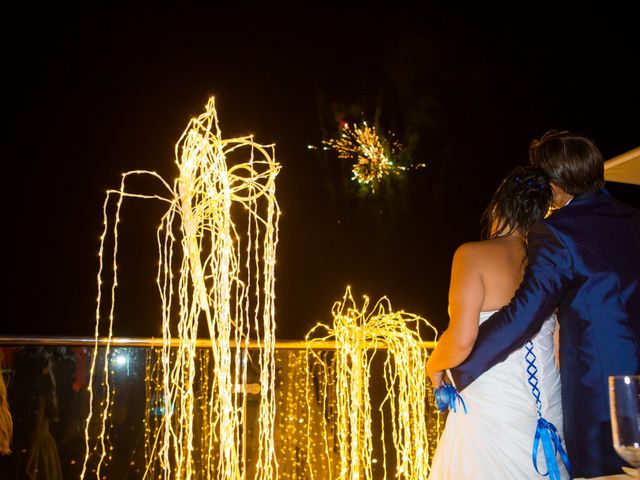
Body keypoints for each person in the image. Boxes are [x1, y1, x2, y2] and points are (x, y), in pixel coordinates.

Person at [443, 131, 640, 478]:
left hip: (603, 396)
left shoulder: (558, 232)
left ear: (554, 185)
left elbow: (525, 315)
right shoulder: (634, 218)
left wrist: (460, 367)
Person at [427, 166, 569, 478]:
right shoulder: (545, 263)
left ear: (499, 205)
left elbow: (462, 340)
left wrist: (433, 364)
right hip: (547, 404)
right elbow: (557, 346)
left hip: (492, 412)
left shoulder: (472, 255)